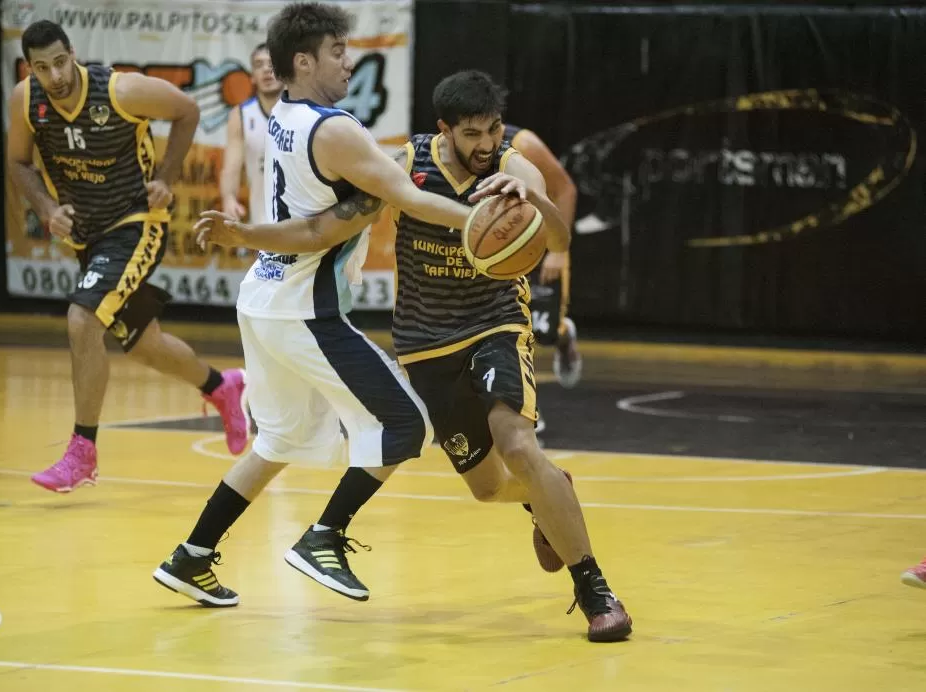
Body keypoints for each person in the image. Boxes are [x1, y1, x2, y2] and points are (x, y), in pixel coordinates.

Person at [193, 68, 633, 643]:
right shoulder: (403, 167)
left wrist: (536, 205)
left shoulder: (512, 167)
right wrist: (244, 234)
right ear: (444, 130)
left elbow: (559, 239)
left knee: (518, 442)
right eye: (472, 134)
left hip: (495, 324)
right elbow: (322, 229)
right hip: (426, 343)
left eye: (493, 131)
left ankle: (594, 589)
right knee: (490, 487)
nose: (485, 145)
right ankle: (552, 495)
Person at [152, 2, 482, 608]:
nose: (347, 61)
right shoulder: (333, 130)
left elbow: (340, 209)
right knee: (406, 423)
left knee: (277, 440)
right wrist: (480, 220)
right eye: (336, 51)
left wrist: (261, 234)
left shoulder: (284, 114)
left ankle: (191, 555)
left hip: (264, 299)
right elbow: (396, 199)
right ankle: (323, 537)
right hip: (305, 310)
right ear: (303, 61)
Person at [6, 20, 248, 493]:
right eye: (42, 67)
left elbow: (187, 110)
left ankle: (83, 452)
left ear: (71, 53)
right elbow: (18, 162)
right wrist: (47, 208)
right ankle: (221, 386)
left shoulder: (120, 91)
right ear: (31, 68)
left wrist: (167, 176)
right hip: (88, 237)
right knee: (144, 344)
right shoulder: (26, 100)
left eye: (60, 62)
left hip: (136, 224)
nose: (54, 76)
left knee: (82, 319)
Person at [502, 123, 583, 398]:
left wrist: (558, 251)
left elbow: (566, 190)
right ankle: (520, 408)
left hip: (539, 242)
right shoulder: (455, 149)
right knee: (508, 331)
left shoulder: (522, 144)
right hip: (498, 246)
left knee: (541, 332)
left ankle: (562, 335)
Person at [219, 43, 283, 225]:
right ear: (252, 77)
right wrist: (229, 198)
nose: (266, 70)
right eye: (259, 65)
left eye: (272, 64)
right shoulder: (241, 115)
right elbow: (231, 168)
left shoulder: (303, 111)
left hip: (304, 223)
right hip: (263, 222)